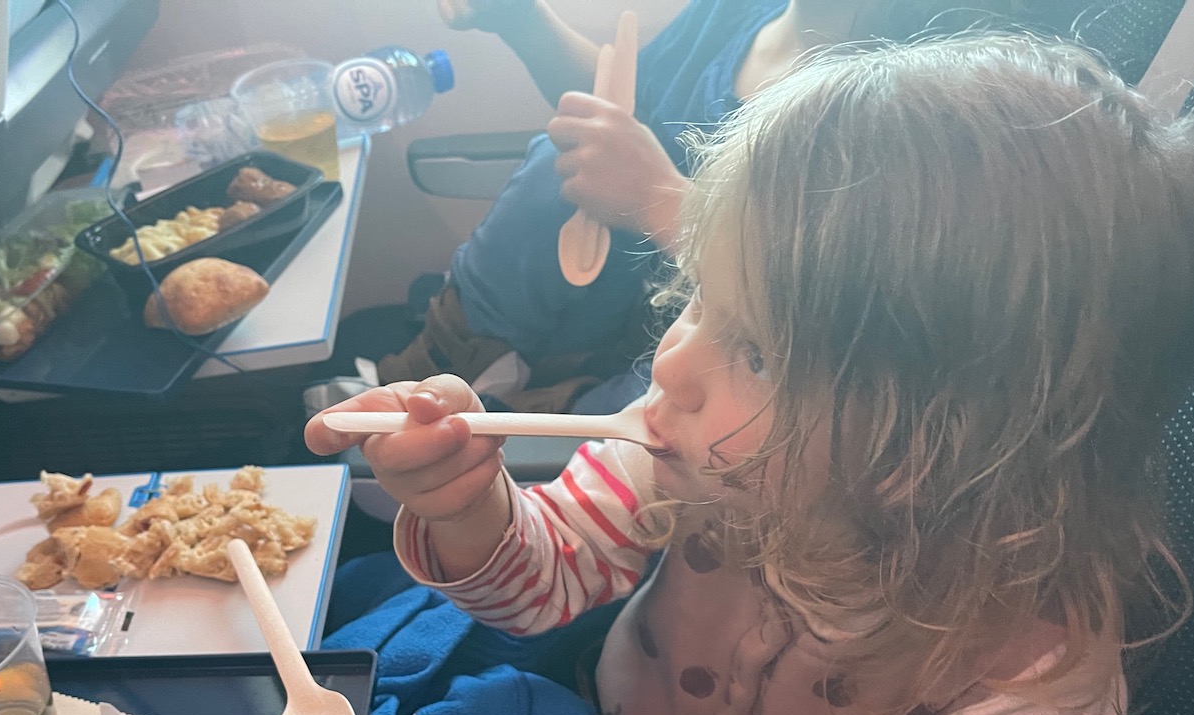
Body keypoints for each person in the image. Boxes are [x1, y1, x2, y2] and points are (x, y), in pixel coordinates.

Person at [309, 34, 1194, 715]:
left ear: (943, 441)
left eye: (755, 347)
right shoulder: (690, 453)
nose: (671, 365)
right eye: (705, 295)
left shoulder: (1026, 652)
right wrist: (465, 507)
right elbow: (544, 585)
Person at [377, 0, 1031, 410]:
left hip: (725, 349)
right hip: (607, 297)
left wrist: (665, 203)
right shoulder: (741, 13)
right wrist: (521, 18)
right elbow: (629, 107)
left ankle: (518, 428)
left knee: (688, 400)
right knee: (556, 165)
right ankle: (438, 367)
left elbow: (856, 307)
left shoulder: (925, 95)